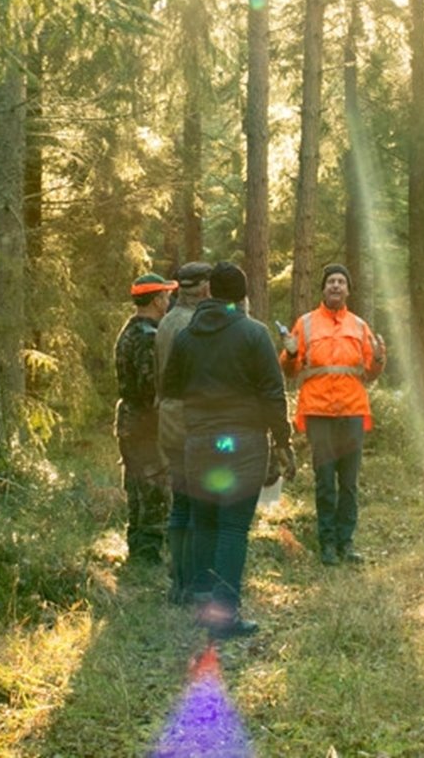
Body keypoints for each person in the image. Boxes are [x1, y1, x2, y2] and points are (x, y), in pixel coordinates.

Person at [162, 261, 295, 638]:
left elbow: (171, 387)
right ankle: (226, 616)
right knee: (233, 528)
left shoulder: (187, 337)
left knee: (204, 522)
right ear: (243, 296)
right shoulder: (253, 334)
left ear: (209, 292)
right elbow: (272, 393)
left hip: (201, 442)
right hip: (243, 442)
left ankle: (204, 604)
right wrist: (283, 442)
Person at [279, 263, 386, 566]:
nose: (336, 286)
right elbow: (289, 370)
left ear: (348, 289)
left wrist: (379, 358)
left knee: (349, 482)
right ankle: (327, 543)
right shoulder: (306, 324)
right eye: (331, 282)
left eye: (341, 282)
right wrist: (288, 351)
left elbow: (371, 373)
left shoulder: (359, 326)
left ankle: (346, 542)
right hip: (318, 411)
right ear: (323, 289)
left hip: (352, 410)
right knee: (325, 480)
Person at [155, 261, 212, 603]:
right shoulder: (195, 325)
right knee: (197, 503)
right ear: (204, 288)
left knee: (180, 502)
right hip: (192, 420)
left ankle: (178, 578)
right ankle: (193, 580)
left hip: (169, 418)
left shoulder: (166, 322)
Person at [113, 271, 177, 565]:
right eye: (165, 295)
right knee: (153, 490)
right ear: (156, 300)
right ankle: (147, 554)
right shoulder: (149, 338)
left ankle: (138, 548)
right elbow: (150, 386)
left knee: (137, 488)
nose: (169, 299)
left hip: (129, 421)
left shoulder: (128, 331)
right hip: (146, 424)